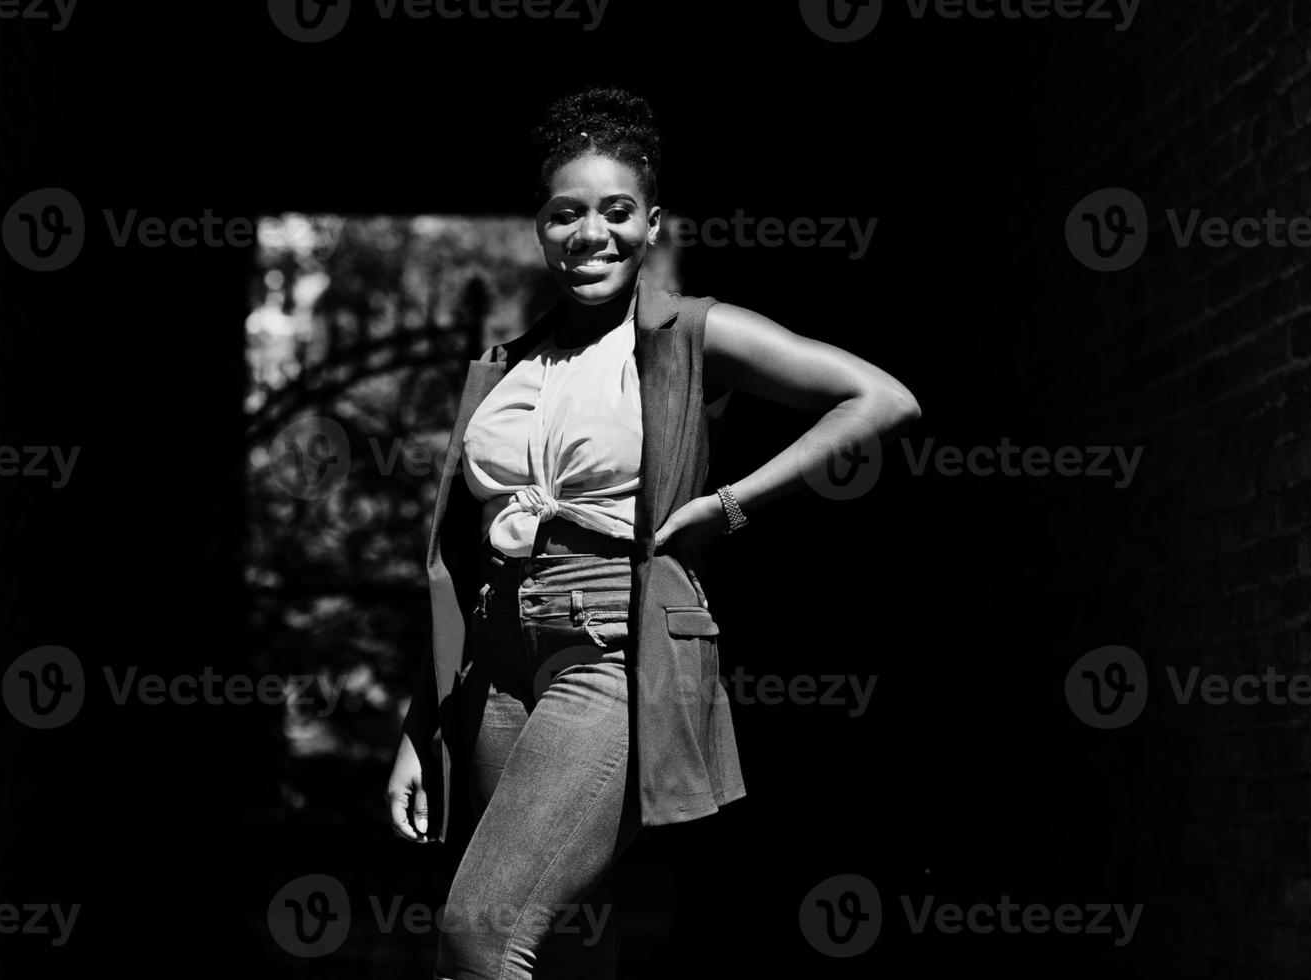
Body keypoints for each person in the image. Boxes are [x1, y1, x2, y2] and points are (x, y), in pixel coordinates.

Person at [387, 85, 920, 979]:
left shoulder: (689, 334)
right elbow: (463, 552)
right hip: (495, 663)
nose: (590, 234)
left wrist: (729, 505)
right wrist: (419, 722)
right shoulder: (505, 368)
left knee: (478, 932)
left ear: (651, 223)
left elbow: (880, 399)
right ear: (539, 227)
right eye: (565, 214)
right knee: (540, 945)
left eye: (616, 212)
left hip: (611, 651)